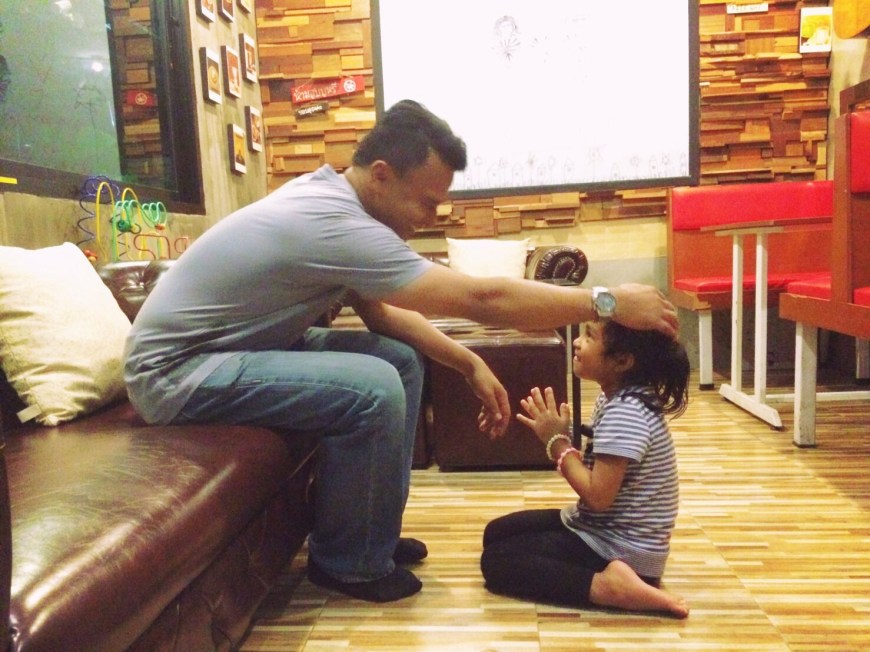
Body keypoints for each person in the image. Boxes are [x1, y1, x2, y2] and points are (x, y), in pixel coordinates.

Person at [124, 99, 679, 603]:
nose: (431, 217)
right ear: (382, 175)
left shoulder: (337, 200)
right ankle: (347, 565)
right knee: (374, 388)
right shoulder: (334, 224)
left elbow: (381, 315)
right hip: (177, 372)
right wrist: (607, 301)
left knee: (398, 360)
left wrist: (468, 362)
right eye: (426, 202)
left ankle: (371, 534)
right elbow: (482, 298)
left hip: (236, 349)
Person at [480, 319, 690, 618]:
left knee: (497, 560)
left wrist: (556, 443)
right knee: (496, 533)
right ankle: (614, 577)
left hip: (622, 548)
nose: (577, 342)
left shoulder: (626, 412)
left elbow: (598, 497)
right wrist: (567, 446)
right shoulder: (619, 396)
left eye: (589, 336)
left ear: (622, 361)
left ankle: (609, 587)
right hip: (601, 528)